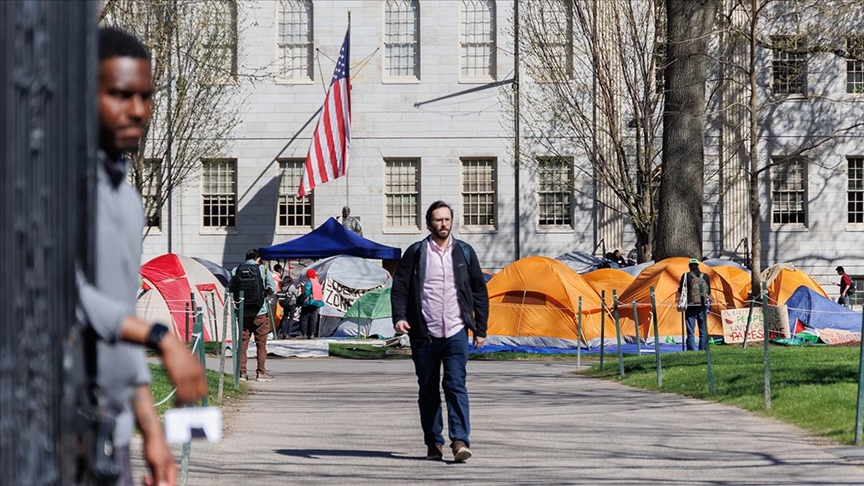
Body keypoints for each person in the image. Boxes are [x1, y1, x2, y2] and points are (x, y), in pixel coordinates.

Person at [76, 27, 207, 486]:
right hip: (54, 421)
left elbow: (119, 322)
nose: (137, 110)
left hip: (112, 430)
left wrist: (150, 429)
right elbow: (62, 293)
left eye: (145, 96)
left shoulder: (130, 202)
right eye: (119, 94)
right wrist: (162, 337)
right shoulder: (59, 187)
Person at [390, 201, 489, 463]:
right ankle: (434, 442)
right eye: (438, 220)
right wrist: (399, 317)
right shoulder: (416, 252)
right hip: (425, 332)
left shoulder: (465, 252)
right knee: (428, 389)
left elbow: (479, 290)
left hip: (456, 330)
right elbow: (400, 287)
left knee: (456, 385)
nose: (443, 224)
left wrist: (480, 329)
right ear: (428, 223)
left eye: (447, 219)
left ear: (452, 221)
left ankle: (460, 441)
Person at [230, 249, 276, 381]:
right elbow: (272, 288)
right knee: (261, 344)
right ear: (258, 258)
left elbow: (230, 288)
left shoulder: (236, 270)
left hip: (243, 312)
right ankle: (261, 373)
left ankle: (242, 373)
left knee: (243, 344)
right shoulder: (263, 269)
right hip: (260, 312)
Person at [677, 258, 711, 351]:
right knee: (703, 330)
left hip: (690, 305)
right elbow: (709, 291)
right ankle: (703, 349)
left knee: (690, 330)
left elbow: (681, 290)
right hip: (702, 306)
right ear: (698, 266)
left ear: (689, 266)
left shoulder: (686, 276)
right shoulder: (705, 276)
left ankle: (691, 349)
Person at [299, 268, 325, 339]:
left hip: (309, 302)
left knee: (303, 318)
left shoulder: (309, 282)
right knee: (313, 319)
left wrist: (301, 299)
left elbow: (306, 293)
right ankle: (312, 334)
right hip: (316, 303)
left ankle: (303, 334)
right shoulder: (317, 282)